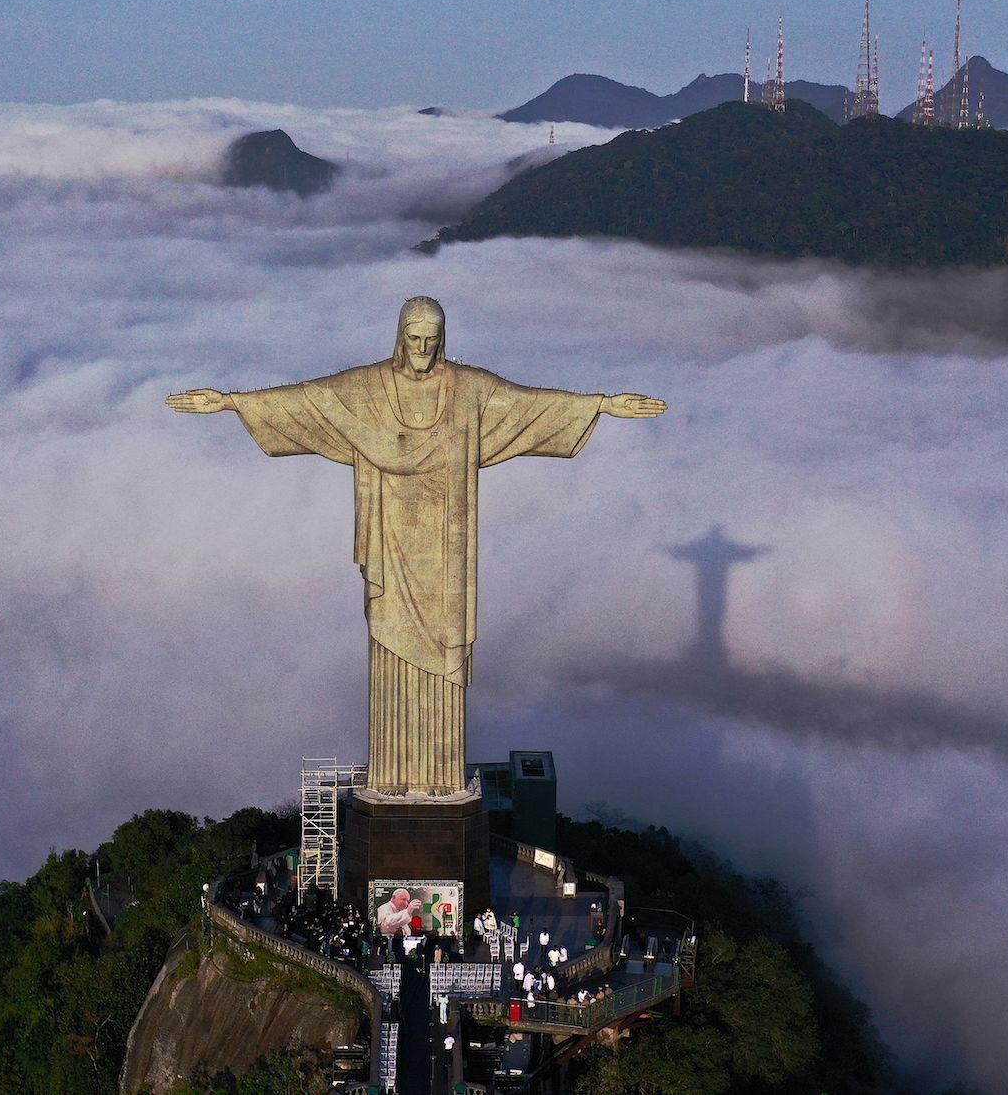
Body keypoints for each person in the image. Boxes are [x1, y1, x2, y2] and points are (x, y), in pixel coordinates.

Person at [168, 299, 664, 796]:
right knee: (390, 642)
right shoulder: (370, 388)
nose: (423, 349)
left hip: (446, 549)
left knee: (444, 650)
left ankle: (439, 781)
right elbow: (307, 400)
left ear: (443, 337)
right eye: (414, 338)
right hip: (390, 537)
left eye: (432, 339)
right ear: (399, 337)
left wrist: (600, 404)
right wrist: (232, 401)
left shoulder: (467, 389)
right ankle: (394, 778)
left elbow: (527, 404)